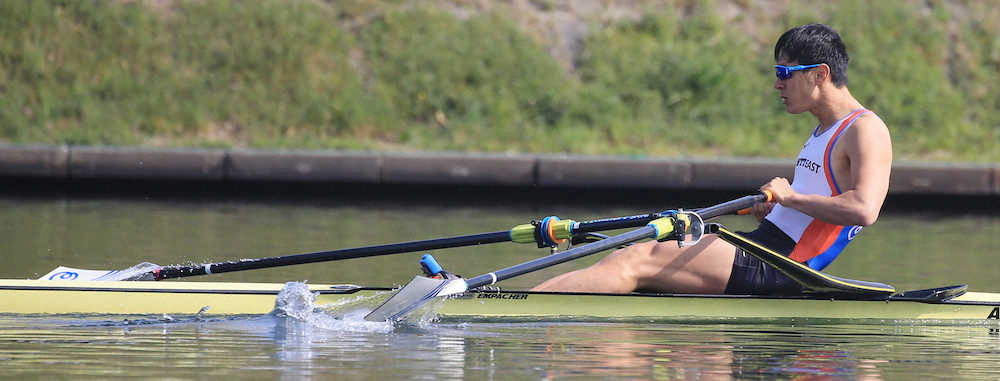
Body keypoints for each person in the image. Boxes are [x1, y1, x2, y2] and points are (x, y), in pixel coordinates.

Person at [531, 24, 892, 295]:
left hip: (785, 265)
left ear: (820, 74)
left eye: (784, 73)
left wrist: (791, 198)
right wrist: (780, 207)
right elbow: (822, 205)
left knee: (636, 259)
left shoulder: (865, 129)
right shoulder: (822, 131)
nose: (777, 84)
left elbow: (864, 209)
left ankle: (517, 306)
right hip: (765, 245)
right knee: (634, 252)